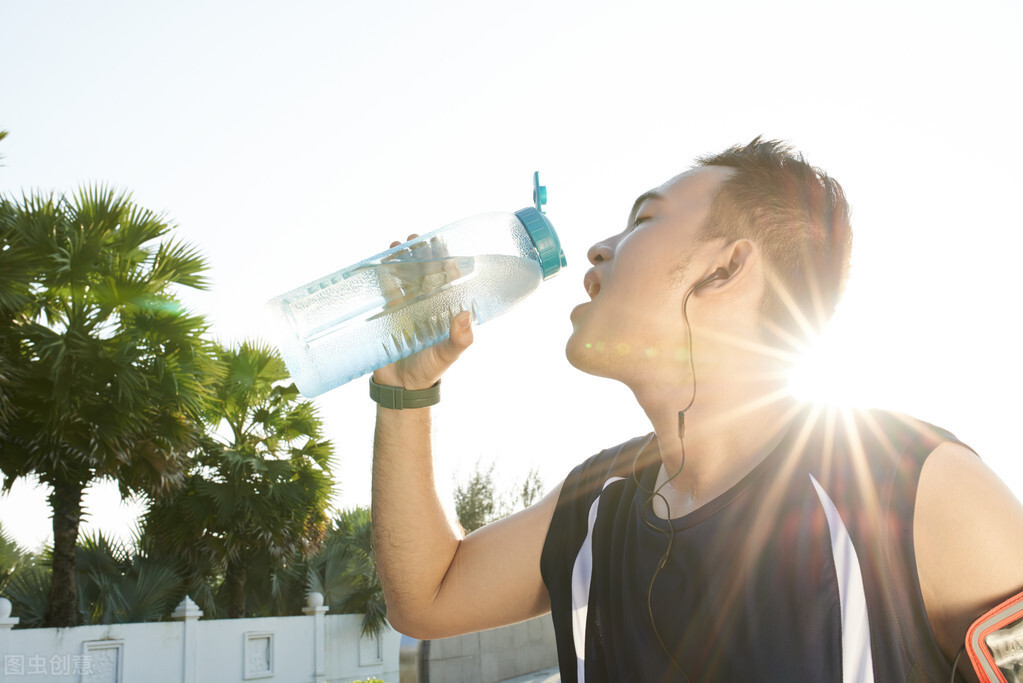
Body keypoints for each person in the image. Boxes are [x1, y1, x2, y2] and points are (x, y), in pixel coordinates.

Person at [370, 138, 1023, 682]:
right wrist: (405, 391)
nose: (597, 249)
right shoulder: (594, 505)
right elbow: (427, 595)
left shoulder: (911, 488)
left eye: (642, 220)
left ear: (727, 267)